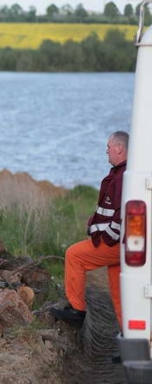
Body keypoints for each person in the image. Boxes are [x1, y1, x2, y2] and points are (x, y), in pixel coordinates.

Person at [49, 131, 129, 329]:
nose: (106, 151)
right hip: (123, 245)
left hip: (117, 244)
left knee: (74, 255)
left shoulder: (122, 177)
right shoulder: (122, 173)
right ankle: (131, 339)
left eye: (109, 147)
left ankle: (77, 311)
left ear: (119, 148)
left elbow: (121, 215)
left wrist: (108, 239)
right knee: (119, 296)